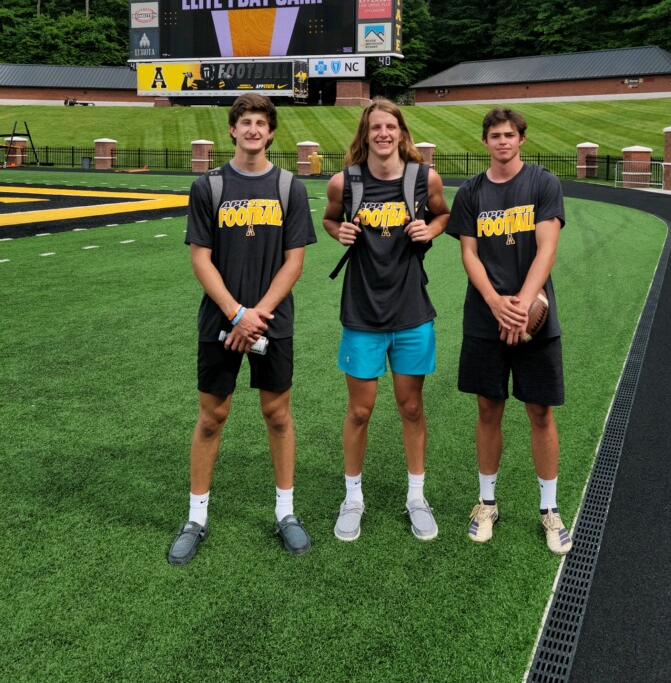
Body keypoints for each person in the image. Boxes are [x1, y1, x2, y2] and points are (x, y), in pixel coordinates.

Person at [167, 93, 317, 565]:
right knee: (212, 416)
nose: (253, 129)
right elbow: (200, 258)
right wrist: (236, 314)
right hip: (221, 318)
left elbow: (295, 262)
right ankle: (196, 518)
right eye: (245, 122)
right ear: (232, 130)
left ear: (271, 132)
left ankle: (286, 513)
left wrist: (257, 316)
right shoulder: (208, 186)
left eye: (261, 123)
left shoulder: (289, 187)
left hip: (273, 319)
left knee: (277, 414)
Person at [446, 107, 573, 555]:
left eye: (509, 135)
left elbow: (547, 246)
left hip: (534, 316)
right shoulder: (471, 192)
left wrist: (521, 304)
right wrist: (497, 303)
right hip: (485, 317)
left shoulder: (542, 183)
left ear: (521, 139)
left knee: (540, 412)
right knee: (488, 409)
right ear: (485, 142)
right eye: (494, 136)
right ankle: (486, 502)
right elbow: (469, 255)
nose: (502, 142)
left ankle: (550, 509)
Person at [322, 99, 450, 542]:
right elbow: (329, 219)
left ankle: (417, 495)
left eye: (390, 126)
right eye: (375, 127)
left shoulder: (423, 177)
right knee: (360, 410)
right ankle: (352, 497)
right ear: (365, 133)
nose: (382, 134)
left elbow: (444, 214)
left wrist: (430, 230)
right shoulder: (345, 181)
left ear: (401, 132)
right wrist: (336, 231)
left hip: (412, 310)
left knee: (411, 406)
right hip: (362, 311)